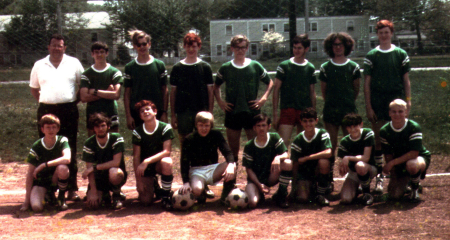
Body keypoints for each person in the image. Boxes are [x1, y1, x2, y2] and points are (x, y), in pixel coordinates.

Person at [30, 33, 84, 201]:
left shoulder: (74, 63)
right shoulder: (39, 65)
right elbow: (33, 88)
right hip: (46, 109)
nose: (56, 48)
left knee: (70, 148)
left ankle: (72, 188)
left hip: (68, 108)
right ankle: (49, 188)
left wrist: (73, 101)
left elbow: (82, 85)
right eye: (53, 45)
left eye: (60, 45)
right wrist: (46, 102)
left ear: (64, 47)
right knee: (47, 148)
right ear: (48, 47)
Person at [364, 20, 412, 193]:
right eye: (380, 33)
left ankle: (402, 176)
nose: (383, 35)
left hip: (396, 100)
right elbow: (367, 83)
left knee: (399, 138)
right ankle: (379, 178)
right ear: (377, 34)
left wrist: (408, 100)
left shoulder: (400, 53)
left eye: (386, 32)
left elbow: (406, 80)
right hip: (378, 101)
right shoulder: (372, 55)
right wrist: (369, 106)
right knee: (378, 140)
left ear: (391, 33)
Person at [214, 34, 274, 163]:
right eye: (237, 47)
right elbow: (216, 86)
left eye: (243, 47)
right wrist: (220, 101)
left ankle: (255, 178)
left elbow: (270, 82)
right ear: (232, 48)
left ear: (247, 48)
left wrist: (263, 98)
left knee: (255, 147)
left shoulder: (255, 65)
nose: (240, 50)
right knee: (233, 150)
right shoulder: (226, 67)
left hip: (251, 111)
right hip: (233, 112)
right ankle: (232, 179)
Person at [319, 32, 361, 192]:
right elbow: (324, 91)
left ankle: (354, 178)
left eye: (340, 45)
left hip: (348, 111)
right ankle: (328, 179)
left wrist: (347, 102)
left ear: (346, 46)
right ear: (331, 47)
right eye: (335, 45)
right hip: (331, 111)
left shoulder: (353, 67)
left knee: (351, 144)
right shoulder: (325, 67)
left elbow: (356, 90)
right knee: (331, 145)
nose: (337, 47)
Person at [178, 111, 236, 205]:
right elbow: (184, 162)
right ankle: (201, 192)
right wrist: (185, 182)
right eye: (201, 125)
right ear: (196, 125)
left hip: (213, 169)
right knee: (197, 190)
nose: (204, 128)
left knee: (232, 165)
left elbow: (228, 152)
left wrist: (230, 164)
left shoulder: (216, 135)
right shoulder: (189, 139)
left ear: (211, 125)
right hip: (197, 171)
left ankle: (226, 195)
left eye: (207, 125)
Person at [380, 99, 430, 202]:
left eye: (400, 111)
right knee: (394, 196)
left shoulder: (413, 127)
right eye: (394, 111)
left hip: (417, 158)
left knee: (412, 165)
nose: (397, 114)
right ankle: (408, 182)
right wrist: (393, 177)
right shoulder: (384, 130)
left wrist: (392, 163)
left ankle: (415, 189)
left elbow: (414, 153)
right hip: (400, 162)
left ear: (406, 112)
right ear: (389, 113)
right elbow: (388, 154)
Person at [273, 34, 316, 148]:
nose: (296, 50)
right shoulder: (284, 65)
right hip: (288, 108)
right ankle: (282, 165)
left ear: (306, 49)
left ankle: (300, 165)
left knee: (304, 144)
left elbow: (312, 92)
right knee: (283, 143)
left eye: (299, 48)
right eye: (294, 47)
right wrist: (275, 114)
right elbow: (276, 89)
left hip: (305, 109)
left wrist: (313, 111)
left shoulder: (310, 67)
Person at [170, 32, 214, 147]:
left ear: (199, 47)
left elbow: (210, 92)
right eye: (188, 46)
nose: (191, 49)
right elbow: (173, 93)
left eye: (194, 46)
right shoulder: (177, 68)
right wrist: (173, 115)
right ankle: (186, 165)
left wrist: (210, 112)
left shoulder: (205, 67)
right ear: (184, 47)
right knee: (185, 143)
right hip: (183, 112)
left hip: (201, 110)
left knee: (203, 142)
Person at [21, 114, 71, 212]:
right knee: (36, 207)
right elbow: (30, 173)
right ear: (42, 129)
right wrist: (26, 201)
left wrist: (44, 165)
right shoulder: (37, 146)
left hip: (56, 177)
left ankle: (61, 198)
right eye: (48, 127)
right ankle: (48, 195)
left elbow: (67, 158)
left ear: (58, 128)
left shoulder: (62, 140)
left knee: (63, 168)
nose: (51, 130)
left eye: (53, 127)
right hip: (41, 181)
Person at [243, 113, 292, 208]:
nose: (261, 128)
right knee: (252, 203)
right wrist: (259, 184)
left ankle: (281, 196)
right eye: (258, 126)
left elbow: (286, 154)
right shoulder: (249, 145)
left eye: (264, 125)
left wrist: (277, 158)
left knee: (287, 163)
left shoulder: (274, 137)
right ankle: (259, 194)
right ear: (254, 128)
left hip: (270, 176)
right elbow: (248, 170)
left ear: (269, 126)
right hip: (256, 181)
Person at [132, 100, 174, 209]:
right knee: (145, 201)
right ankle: (154, 183)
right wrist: (138, 181)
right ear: (140, 116)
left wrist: (147, 161)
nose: (145, 112)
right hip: (145, 168)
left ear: (155, 111)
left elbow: (166, 152)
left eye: (147, 109)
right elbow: (136, 157)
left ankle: (165, 196)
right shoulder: (137, 132)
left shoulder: (165, 127)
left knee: (167, 162)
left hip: (158, 163)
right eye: (142, 111)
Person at [124, 29, 168, 130]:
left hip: (157, 112)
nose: (142, 47)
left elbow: (165, 90)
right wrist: (128, 116)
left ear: (149, 44)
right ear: (134, 46)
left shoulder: (159, 65)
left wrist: (164, 112)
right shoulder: (130, 67)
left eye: (144, 44)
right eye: (138, 45)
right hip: (137, 113)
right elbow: (127, 93)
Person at [81, 113, 127, 209]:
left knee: (114, 172)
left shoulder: (116, 137)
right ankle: (104, 194)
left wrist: (94, 167)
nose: (100, 129)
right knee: (92, 204)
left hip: (114, 174)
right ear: (93, 128)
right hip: (99, 178)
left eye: (103, 125)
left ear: (108, 126)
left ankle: (116, 195)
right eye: (97, 126)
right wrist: (93, 191)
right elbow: (89, 169)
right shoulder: (89, 143)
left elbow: (116, 163)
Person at [290, 108, 332, 206]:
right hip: (305, 173)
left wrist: (306, 158)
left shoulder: (322, 133)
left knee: (324, 161)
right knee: (302, 198)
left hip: (318, 169)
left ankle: (321, 194)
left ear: (316, 121)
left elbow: (328, 152)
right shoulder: (298, 139)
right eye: (305, 121)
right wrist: (293, 188)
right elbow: (295, 164)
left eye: (311, 121)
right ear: (301, 122)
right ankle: (312, 187)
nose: (308, 124)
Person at [80, 42, 123, 136]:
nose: (99, 55)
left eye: (102, 52)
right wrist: (107, 93)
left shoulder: (114, 72)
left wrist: (95, 92)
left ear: (107, 53)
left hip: (110, 111)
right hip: (93, 112)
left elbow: (116, 95)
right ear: (92, 54)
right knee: (93, 144)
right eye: (96, 52)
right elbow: (83, 97)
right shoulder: (86, 74)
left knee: (113, 141)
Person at [337, 113, 377, 206]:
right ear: (346, 128)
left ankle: (367, 194)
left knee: (360, 165)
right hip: (353, 172)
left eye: (355, 126)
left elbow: (366, 158)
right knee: (346, 199)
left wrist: (348, 157)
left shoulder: (367, 133)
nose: (353, 129)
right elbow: (341, 163)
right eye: (349, 127)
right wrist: (342, 168)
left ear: (361, 124)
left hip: (369, 168)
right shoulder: (344, 141)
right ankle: (357, 188)